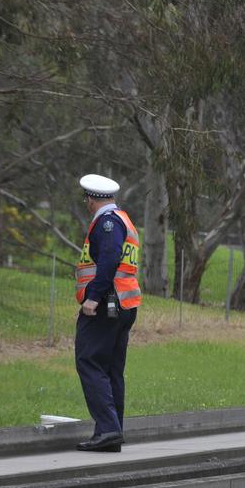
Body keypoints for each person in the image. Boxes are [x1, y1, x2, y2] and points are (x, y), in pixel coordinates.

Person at [73, 174, 142, 452]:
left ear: (90, 199)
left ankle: (109, 429)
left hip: (105, 305)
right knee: (112, 370)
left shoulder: (107, 223)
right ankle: (112, 432)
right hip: (123, 304)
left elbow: (111, 259)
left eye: (85, 199)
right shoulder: (124, 219)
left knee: (89, 362)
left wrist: (92, 297)